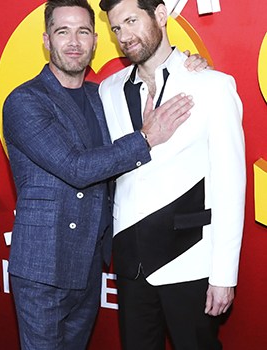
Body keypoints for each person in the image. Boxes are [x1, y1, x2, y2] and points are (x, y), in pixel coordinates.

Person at [2, 0, 208, 349]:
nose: (73, 41)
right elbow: (76, 168)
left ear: (96, 41)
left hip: (87, 264)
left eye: (83, 31)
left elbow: (150, 76)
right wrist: (146, 137)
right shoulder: (25, 101)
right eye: (62, 31)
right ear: (46, 40)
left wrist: (186, 65)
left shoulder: (101, 96)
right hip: (43, 270)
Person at [99, 0, 246, 349]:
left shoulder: (213, 86)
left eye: (132, 21)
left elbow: (230, 186)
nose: (124, 36)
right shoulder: (108, 90)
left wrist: (224, 275)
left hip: (190, 260)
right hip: (131, 262)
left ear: (161, 16)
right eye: (117, 28)